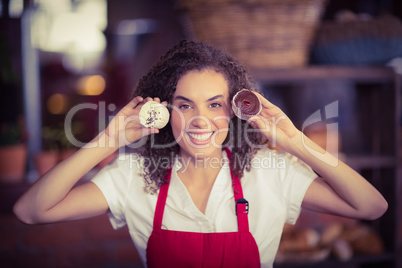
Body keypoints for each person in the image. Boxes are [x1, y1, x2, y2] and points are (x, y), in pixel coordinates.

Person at [13, 40, 388, 267]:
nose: (200, 120)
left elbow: (371, 207)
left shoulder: (269, 170)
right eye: (185, 105)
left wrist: (292, 140)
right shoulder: (133, 176)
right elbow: (31, 211)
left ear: (233, 112)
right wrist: (108, 141)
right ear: (165, 113)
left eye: (214, 105)